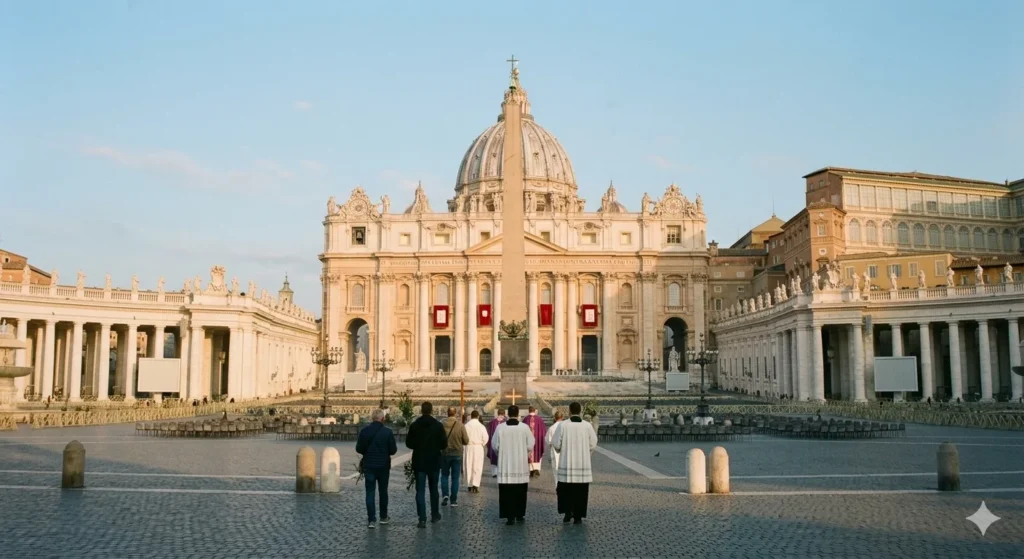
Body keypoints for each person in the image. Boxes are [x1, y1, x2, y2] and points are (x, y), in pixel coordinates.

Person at [552, 402, 598, 524]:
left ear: (570, 411)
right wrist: (586, 454)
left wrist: (561, 449)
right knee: (580, 492)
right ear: (580, 411)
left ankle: (567, 514)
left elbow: (556, 443)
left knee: (566, 491)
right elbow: (593, 443)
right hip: (582, 465)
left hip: (566, 464)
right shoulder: (587, 426)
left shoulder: (563, 425)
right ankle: (578, 516)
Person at [406, 401, 447, 528]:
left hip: (419, 461)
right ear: (432, 410)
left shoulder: (415, 425)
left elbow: (409, 444)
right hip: (434, 461)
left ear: (421, 410)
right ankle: (434, 514)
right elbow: (443, 444)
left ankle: (422, 518)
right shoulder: (438, 426)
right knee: (434, 489)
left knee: (420, 491)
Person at [492, 405, 534, 525]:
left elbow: (495, 445)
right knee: (520, 491)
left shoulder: (500, 428)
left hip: (506, 465)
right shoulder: (524, 428)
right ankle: (520, 514)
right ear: (518, 413)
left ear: (508, 414)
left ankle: (509, 516)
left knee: (507, 492)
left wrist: (501, 453)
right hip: (520, 465)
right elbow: (531, 444)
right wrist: (524, 451)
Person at [355, 409, 398, 529]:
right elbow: (393, 450)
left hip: (369, 465)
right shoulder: (388, 432)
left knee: (370, 492)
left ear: (371, 418)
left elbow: (359, 449)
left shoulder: (364, 431)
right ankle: (383, 517)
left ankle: (371, 520)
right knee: (383, 491)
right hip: (383, 466)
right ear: (382, 419)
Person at [440, 406, 470, 507]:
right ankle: (453, 500)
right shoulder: (460, 425)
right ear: (455, 413)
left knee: (444, 475)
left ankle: (445, 494)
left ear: (447, 413)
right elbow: (466, 441)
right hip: (457, 453)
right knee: (455, 477)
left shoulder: (442, 424)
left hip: (444, 453)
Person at [463, 409, 489, 493]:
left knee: (468, 465)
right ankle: (475, 484)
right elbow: (485, 438)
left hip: (468, 447)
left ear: (471, 416)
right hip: (478, 447)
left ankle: (469, 485)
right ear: (478, 416)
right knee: (477, 466)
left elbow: (463, 437)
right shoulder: (481, 426)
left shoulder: (466, 426)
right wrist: (482, 444)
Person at [522, 406, 547, 478]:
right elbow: (544, 431)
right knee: (537, 453)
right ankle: (536, 469)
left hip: (528, 441)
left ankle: (531, 470)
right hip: (538, 441)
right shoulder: (540, 419)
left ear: (528, 411)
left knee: (529, 453)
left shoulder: (525, 419)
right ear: (535, 411)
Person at [545, 411, 565, 489]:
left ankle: (557, 485)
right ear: (562, 417)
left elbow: (547, 440)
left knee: (556, 469)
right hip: (565, 450)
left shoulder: (552, 428)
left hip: (554, 450)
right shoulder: (565, 426)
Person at [486, 408, 507, 478]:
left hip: (494, 443)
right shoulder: (506, 423)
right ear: (504, 414)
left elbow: (488, 432)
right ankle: (501, 472)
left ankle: (494, 473)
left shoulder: (492, 422)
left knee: (494, 457)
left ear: (498, 413)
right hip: (503, 444)